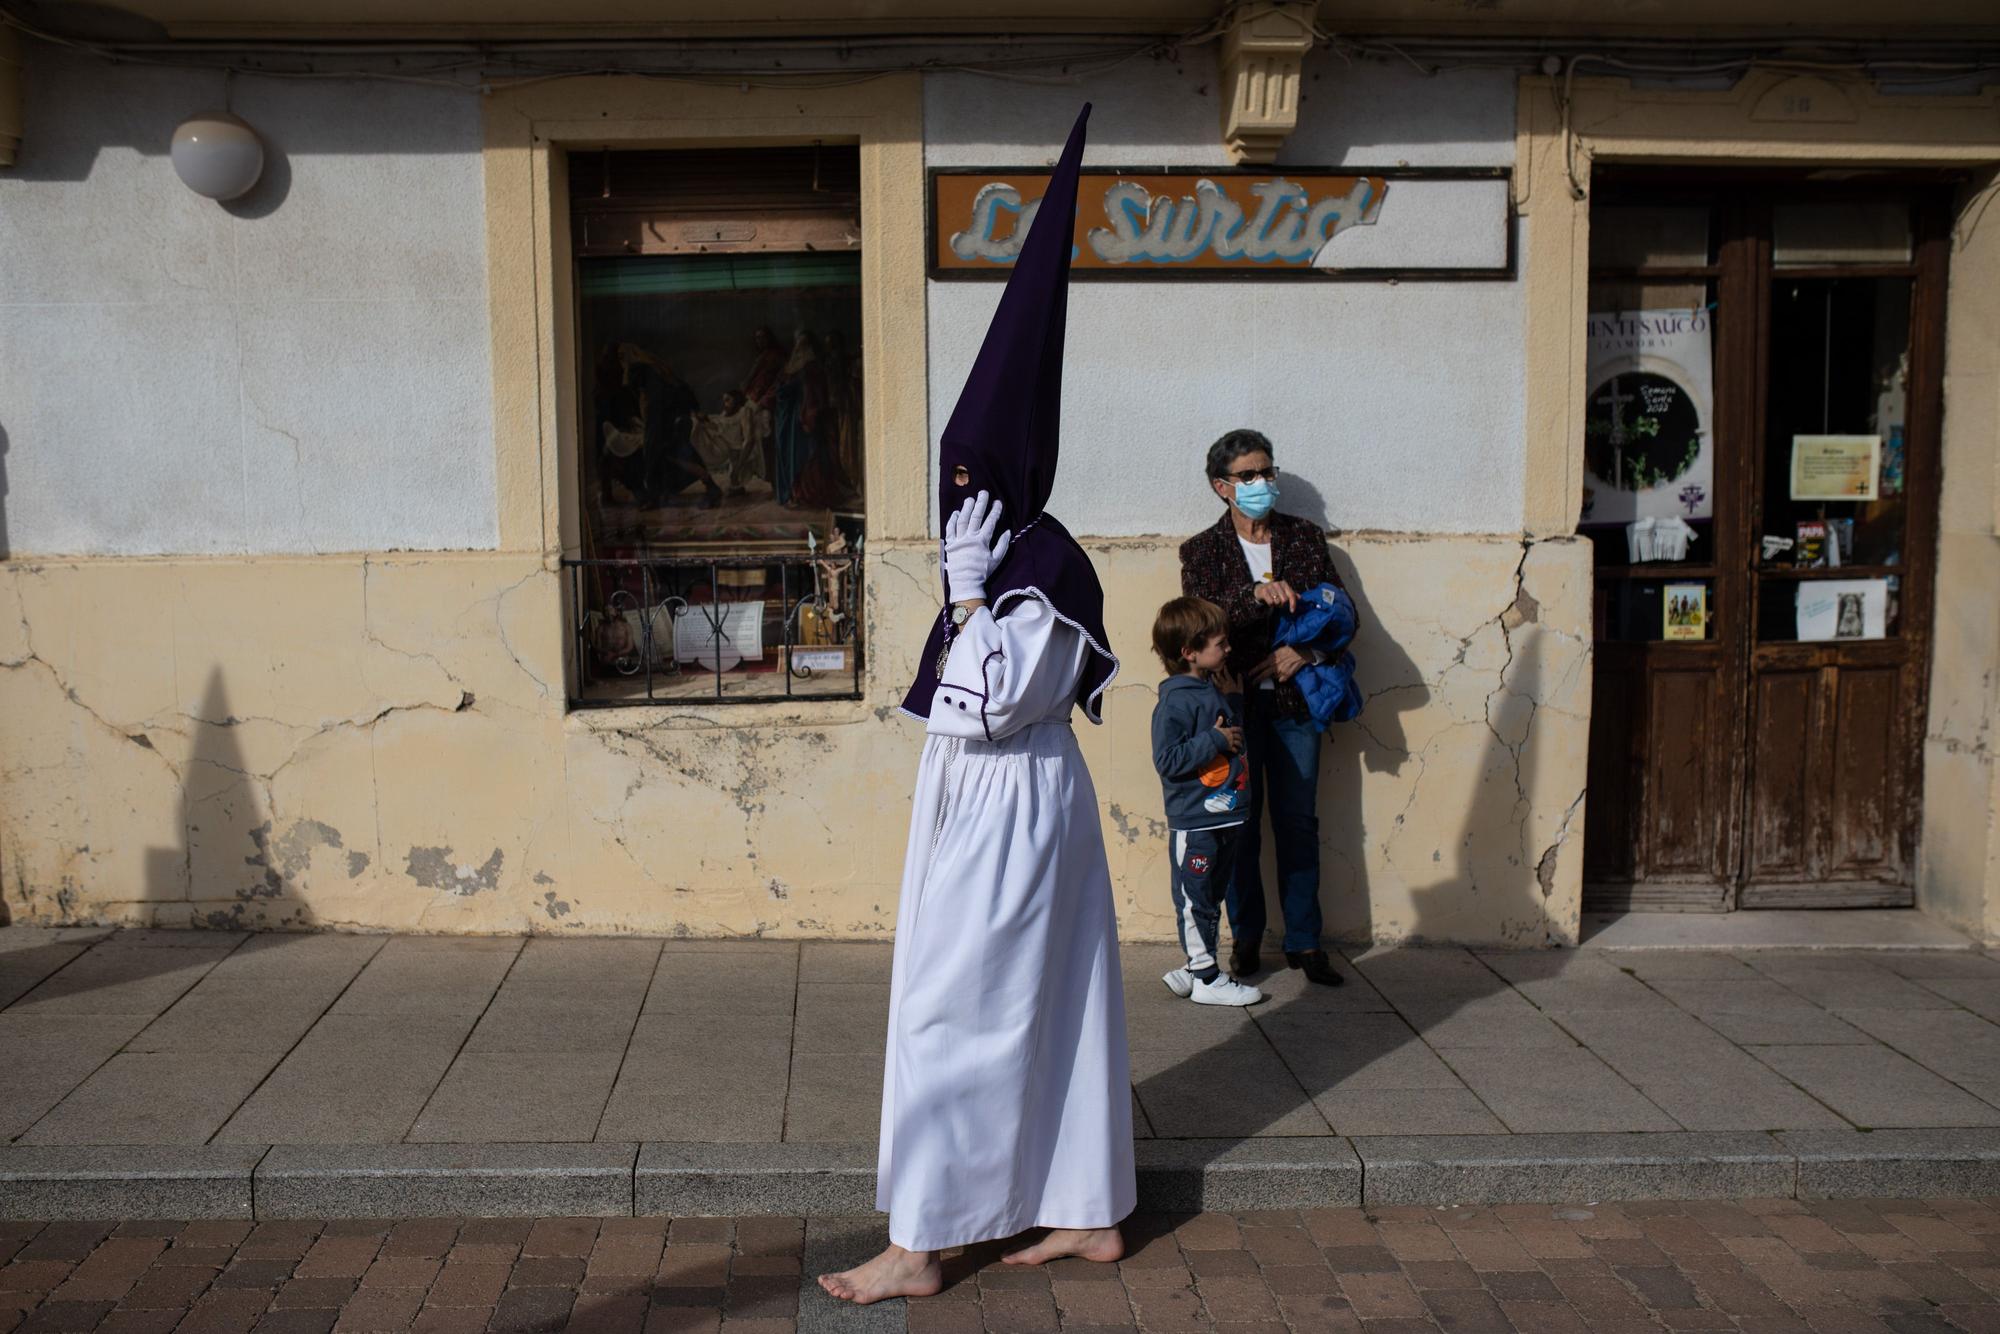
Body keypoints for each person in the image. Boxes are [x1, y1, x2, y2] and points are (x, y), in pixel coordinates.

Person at [821, 104, 1132, 1306]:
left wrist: (963, 599)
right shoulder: (1009, 559)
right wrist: (965, 589)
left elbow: (990, 701)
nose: (953, 496)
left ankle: (921, 1245)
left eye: (966, 474)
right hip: (988, 802)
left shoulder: (1043, 564)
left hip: (1008, 802)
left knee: (959, 1011)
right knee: (1046, 1003)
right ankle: (1084, 1212)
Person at [1178, 429, 1352, 986]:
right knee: (1239, 827)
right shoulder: (1201, 552)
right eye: (1248, 475)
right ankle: (1246, 938)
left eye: (1267, 471)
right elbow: (1197, 626)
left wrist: (1303, 652)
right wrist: (1252, 597)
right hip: (1233, 711)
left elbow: (1346, 618)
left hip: (1297, 706)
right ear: (1222, 487)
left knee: (1298, 823)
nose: (1261, 483)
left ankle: (1304, 942)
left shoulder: (1304, 538)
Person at [1150, 596, 1262, 1008]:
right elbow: (1168, 760)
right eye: (1220, 643)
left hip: (1223, 817)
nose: (1228, 649)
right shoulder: (1176, 702)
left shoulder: (1208, 691)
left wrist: (1232, 706)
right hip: (1196, 823)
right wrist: (1214, 739)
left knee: (1210, 899)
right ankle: (1207, 977)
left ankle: (1195, 965)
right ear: (1189, 652)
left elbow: (1231, 743)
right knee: (1194, 900)